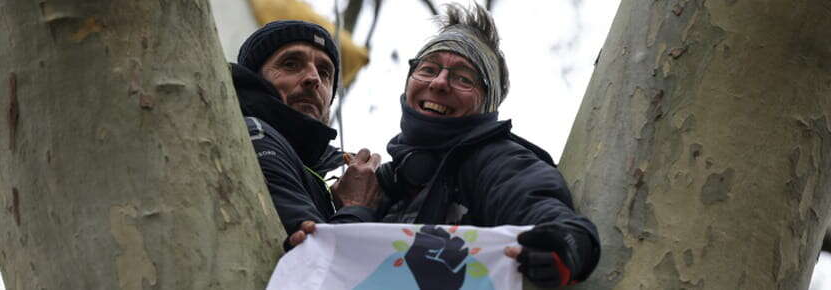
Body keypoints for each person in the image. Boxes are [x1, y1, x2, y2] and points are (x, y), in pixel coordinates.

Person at [374, 4, 601, 288]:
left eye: (463, 78)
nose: (440, 83)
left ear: (486, 103)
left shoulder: (497, 160)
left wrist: (565, 244)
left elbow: (544, 213)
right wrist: (355, 208)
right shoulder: (377, 181)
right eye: (428, 69)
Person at [230, 20, 382, 248]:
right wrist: (355, 205)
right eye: (291, 64)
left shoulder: (326, 168)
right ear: (254, 78)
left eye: (325, 72)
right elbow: (321, 262)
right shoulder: (254, 135)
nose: (314, 79)